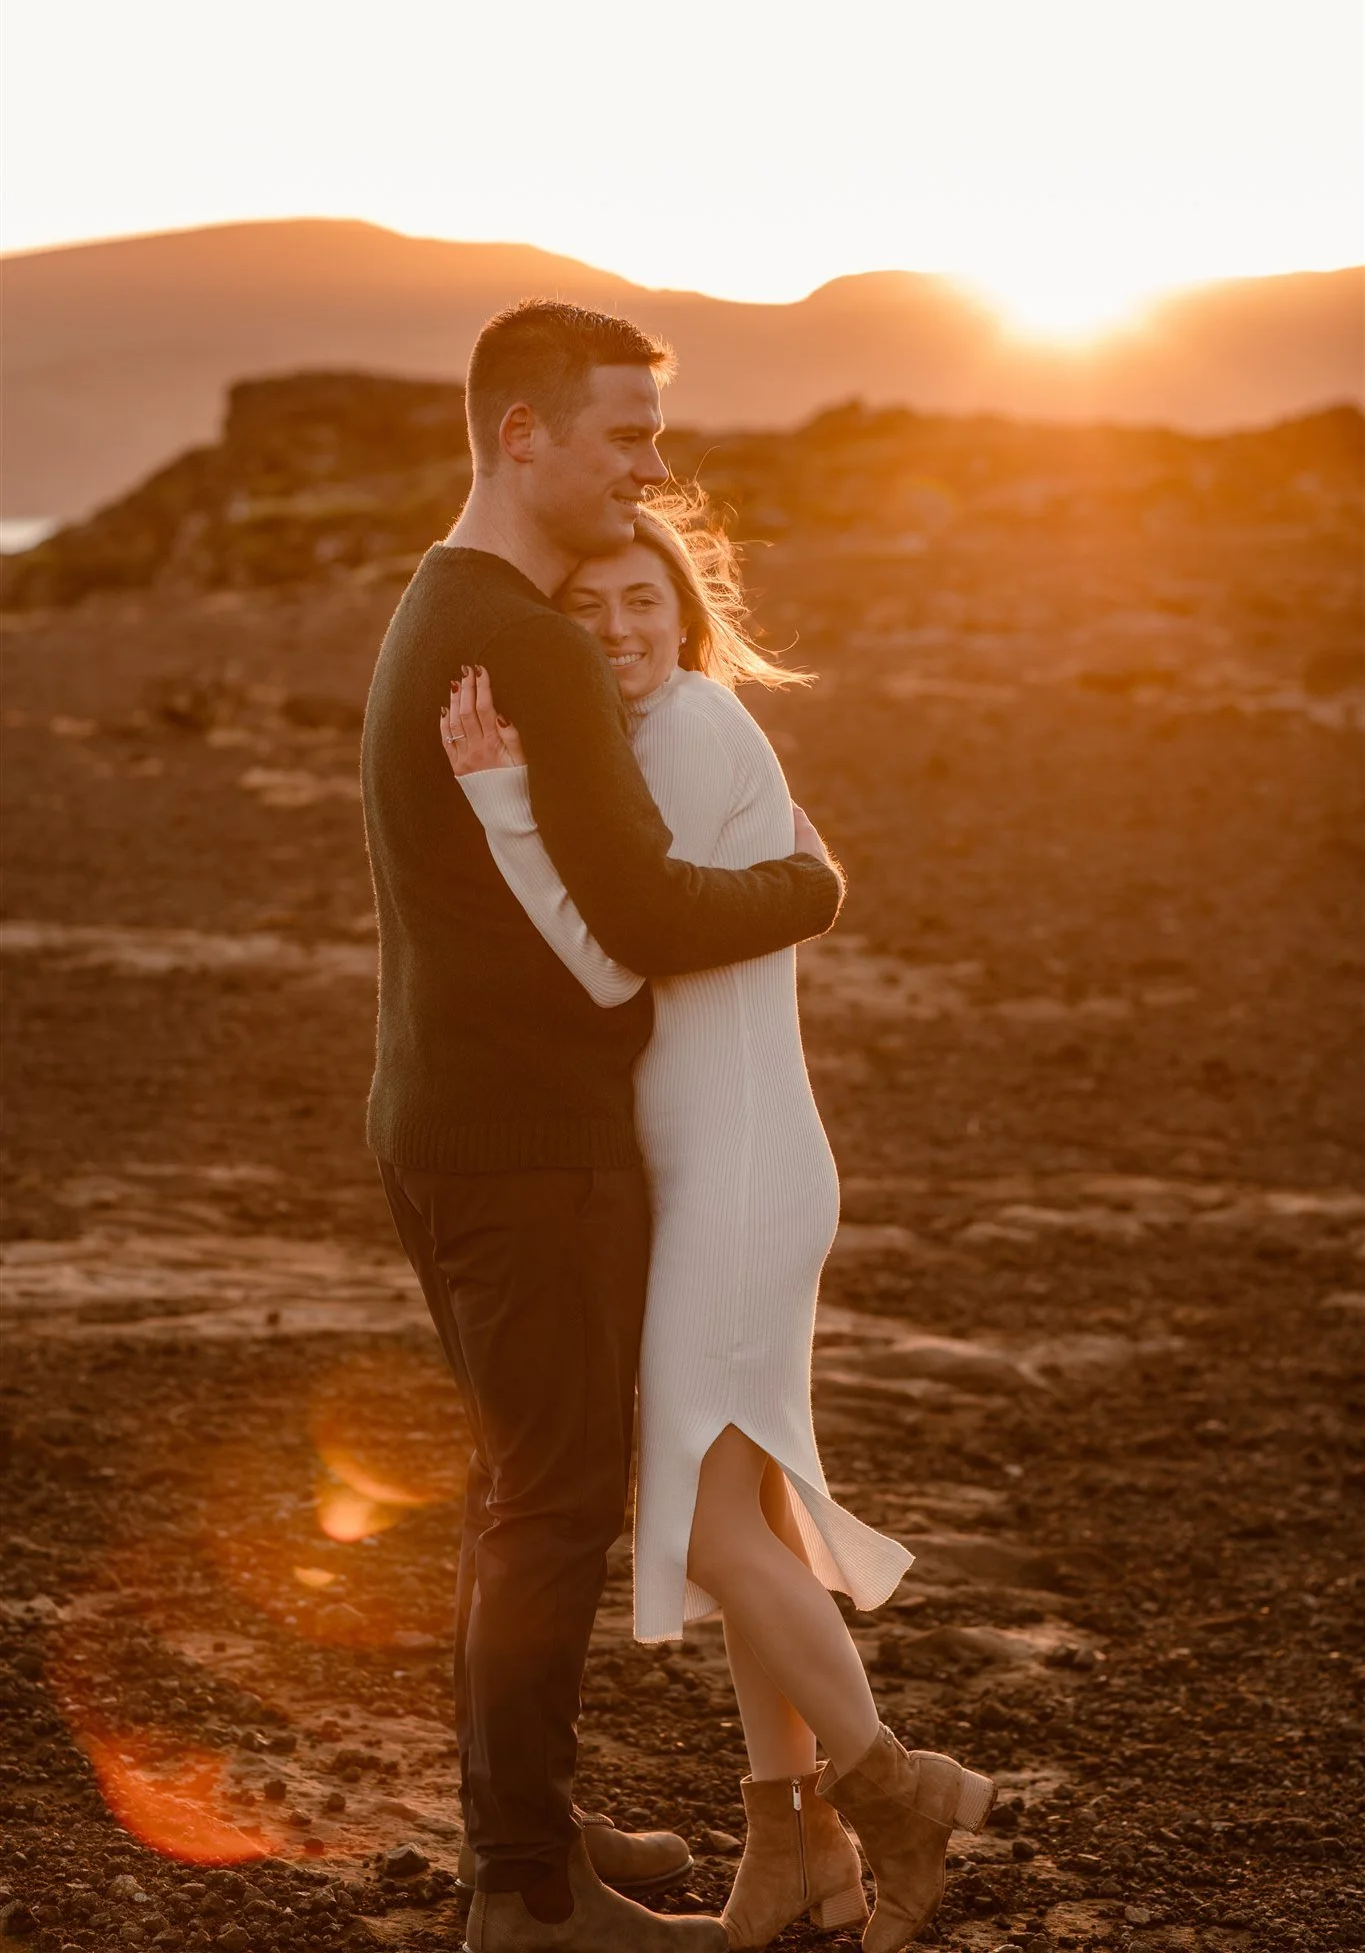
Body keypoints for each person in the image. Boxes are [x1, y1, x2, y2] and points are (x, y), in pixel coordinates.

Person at [440, 494, 997, 1953]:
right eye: (589, 609)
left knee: (706, 1523)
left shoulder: (689, 732)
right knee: (737, 1522)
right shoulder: (644, 746)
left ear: (685, 618)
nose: (620, 629)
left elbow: (616, 966)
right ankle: (791, 1855)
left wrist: (501, 805)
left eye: (646, 603)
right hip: (724, 1166)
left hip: (738, 1176)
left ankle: (895, 1790)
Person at [360, 299, 845, 1953]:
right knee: (555, 1508)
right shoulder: (533, 642)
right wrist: (811, 883)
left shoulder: (435, 606)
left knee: (521, 1492)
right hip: (532, 1149)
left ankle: (530, 1835)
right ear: (523, 435)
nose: (653, 464)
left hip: (438, 1121)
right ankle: (527, 1895)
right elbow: (637, 915)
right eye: (626, 434)